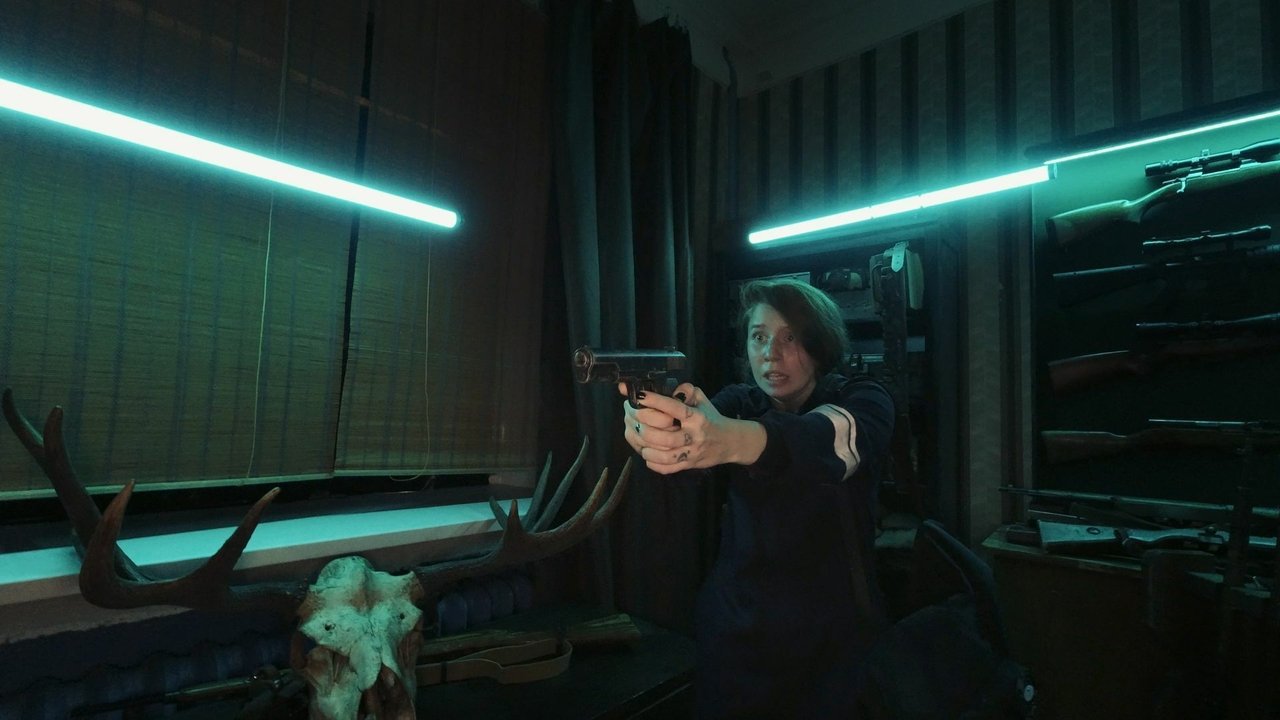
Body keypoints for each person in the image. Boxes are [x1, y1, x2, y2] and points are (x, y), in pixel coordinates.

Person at [620, 277, 894, 718]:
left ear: (819, 342)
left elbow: (826, 440)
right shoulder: (739, 402)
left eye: (790, 337)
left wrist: (730, 440)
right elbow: (684, 467)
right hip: (736, 631)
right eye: (759, 337)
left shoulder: (863, 397)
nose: (771, 353)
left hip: (830, 639)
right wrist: (659, 432)